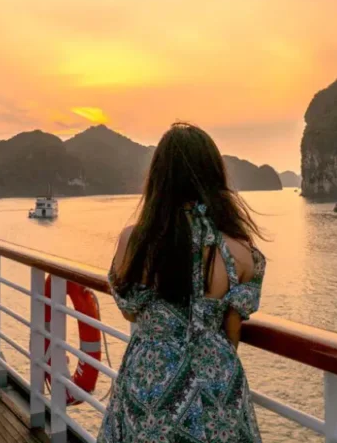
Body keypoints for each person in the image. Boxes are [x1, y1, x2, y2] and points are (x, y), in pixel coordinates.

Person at [98, 122, 266, 443]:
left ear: (159, 181)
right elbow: (232, 330)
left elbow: (130, 312)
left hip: (152, 381)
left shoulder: (135, 242)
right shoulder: (241, 250)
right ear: (214, 178)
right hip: (217, 385)